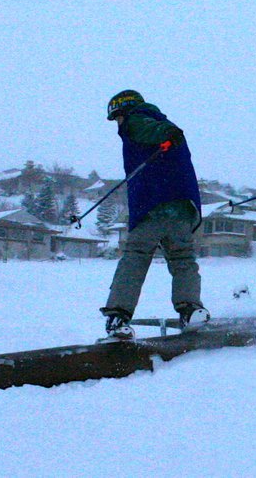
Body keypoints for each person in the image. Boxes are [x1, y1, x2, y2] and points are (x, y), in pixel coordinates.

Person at [99, 90, 206, 341]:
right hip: (183, 207)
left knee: (136, 257)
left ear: (123, 111)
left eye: (117, 119)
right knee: (182, 258)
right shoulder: (160, 121)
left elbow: (156, 130)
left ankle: (118, 316)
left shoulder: (137, 119)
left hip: (153, 203)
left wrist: (166, 135)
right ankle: (191, 310)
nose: (118, 124)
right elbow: (165, 132)